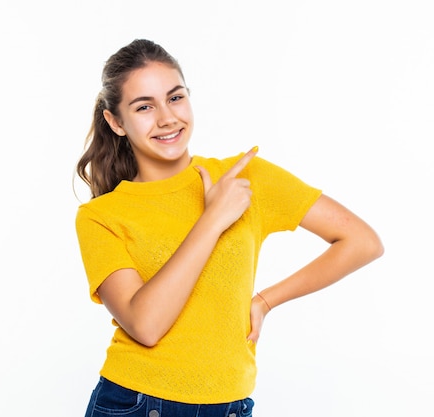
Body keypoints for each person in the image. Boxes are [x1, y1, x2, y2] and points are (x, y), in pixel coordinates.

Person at [75, 39, 383, 417]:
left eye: (175, 98)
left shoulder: (245, 177)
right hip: (137, 402)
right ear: (116, 122)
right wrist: (213, 219)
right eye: (144, 107)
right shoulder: (101, 216)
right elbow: (146, 326)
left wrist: (266, 301)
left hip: (231, 405)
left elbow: (362, 241)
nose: (167, 118)